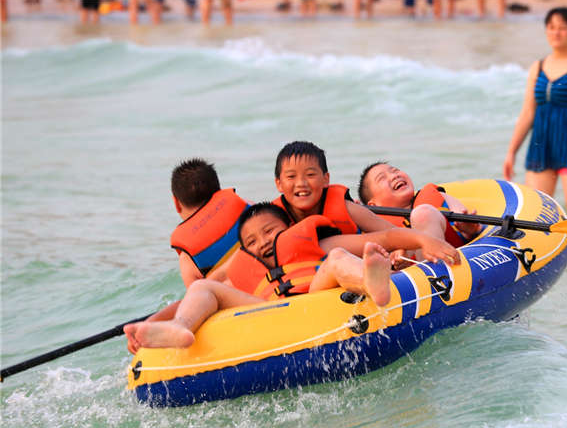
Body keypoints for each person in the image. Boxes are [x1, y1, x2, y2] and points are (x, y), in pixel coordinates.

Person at [123, 203, 460, 352]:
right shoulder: (245, 273)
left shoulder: (318, 243)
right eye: (252, 242)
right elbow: (193, 296)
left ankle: (373, 280)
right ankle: (181, 329)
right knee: (202, 286)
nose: (263, 242)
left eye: (270, 232)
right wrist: (152, 322)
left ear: (289, 228)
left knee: (339, 259)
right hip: (269, 310)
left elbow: (384, 239)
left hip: (317, 293)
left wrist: (423, 239)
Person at [503, 7, 567, 213]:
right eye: (551, 28)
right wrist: (511, 152)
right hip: (541, 146)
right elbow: (528, 113)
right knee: (535, 214)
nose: (556, 33)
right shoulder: (538, 67)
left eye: (562, 28)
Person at [272, 141, 393, 234]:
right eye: (291, 176)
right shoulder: (273, 219)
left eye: (310, 175)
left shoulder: (346, 208)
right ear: (279, 184)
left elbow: (391, 232)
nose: (301, 183)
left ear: (326, 179)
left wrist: (401, 251)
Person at [358, 161, 481, 248]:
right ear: (373, 205)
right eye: (382, 178)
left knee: (423, 214)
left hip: (452, 252)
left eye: (395, 170)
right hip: (413, 270)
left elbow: (463, 218)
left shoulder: (437, 196)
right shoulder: (373, 228)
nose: (394, 176)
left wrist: (468, 230)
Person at [169, 158, 250, 287]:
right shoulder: (249, 209)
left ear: (176, 203)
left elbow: (196, 297)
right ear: (219, 190)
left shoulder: (187, 258)